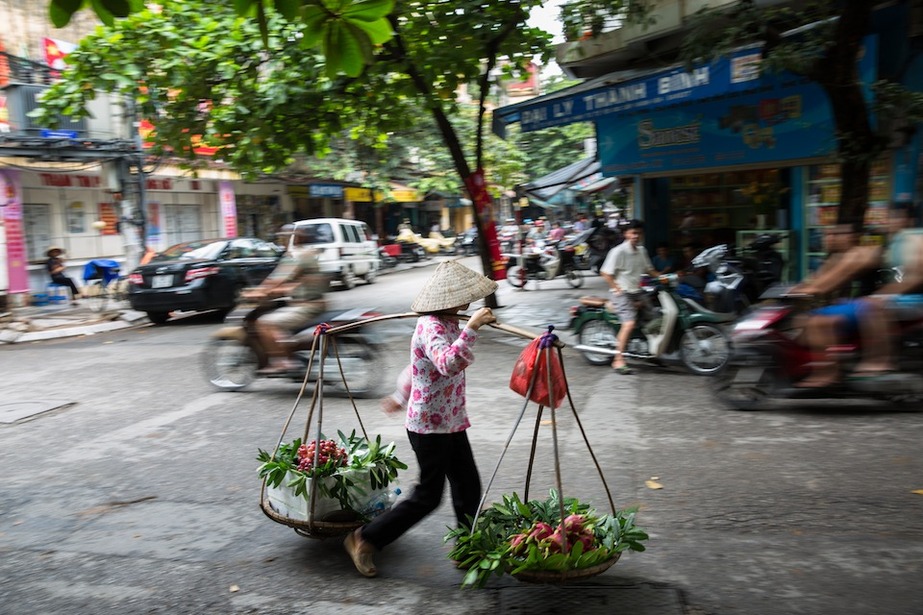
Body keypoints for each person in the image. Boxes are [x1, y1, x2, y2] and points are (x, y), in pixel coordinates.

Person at [343, 261, 497, 578]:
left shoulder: (450, 321)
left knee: (468, 487)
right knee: (428, 496)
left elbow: (415, 368)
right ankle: (364, 538)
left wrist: (400, 396)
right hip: (429, 427)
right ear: (448, 298)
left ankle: (467, 549)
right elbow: (446, 363)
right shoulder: (432, 326)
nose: (469, 302)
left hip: (451, 421)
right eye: (464, 296)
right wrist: (473, 329)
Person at [792, 223, 882, 387]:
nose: (831, 238)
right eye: (828, 234)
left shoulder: (858, 254)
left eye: (838, 233)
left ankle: (828, 374)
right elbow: (815, 279)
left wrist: (806, 291)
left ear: (853, 236)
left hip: (868, 307)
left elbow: (827, 284)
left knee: (815, 322)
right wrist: (796, 289)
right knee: (799, 322)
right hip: (854, 304)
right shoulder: (838, 256)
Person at [241, 226, 330, 374]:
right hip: (311, 303)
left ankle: (282, 362)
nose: (281, 241)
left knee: (264, 323)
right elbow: (295, 282)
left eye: (284, 237)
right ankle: (291, 353)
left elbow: (278, 278)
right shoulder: (307, 253)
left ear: (293, 238)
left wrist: (259, 292)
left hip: (307, 307)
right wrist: (273, 291)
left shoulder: (298, 255)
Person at [599, 219, 658, 374]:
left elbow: (650, 270)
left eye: (638, 233)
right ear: (626, 234)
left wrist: (664, 277)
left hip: (636, 291)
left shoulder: (642, 251)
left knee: (654, 316)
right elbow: (605, 273)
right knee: (629, 323)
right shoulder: (618, 251)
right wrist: (616, 288)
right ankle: (618, 360)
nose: (636, 236)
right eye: (633, 233)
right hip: (621, 293)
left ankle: (650, 351)